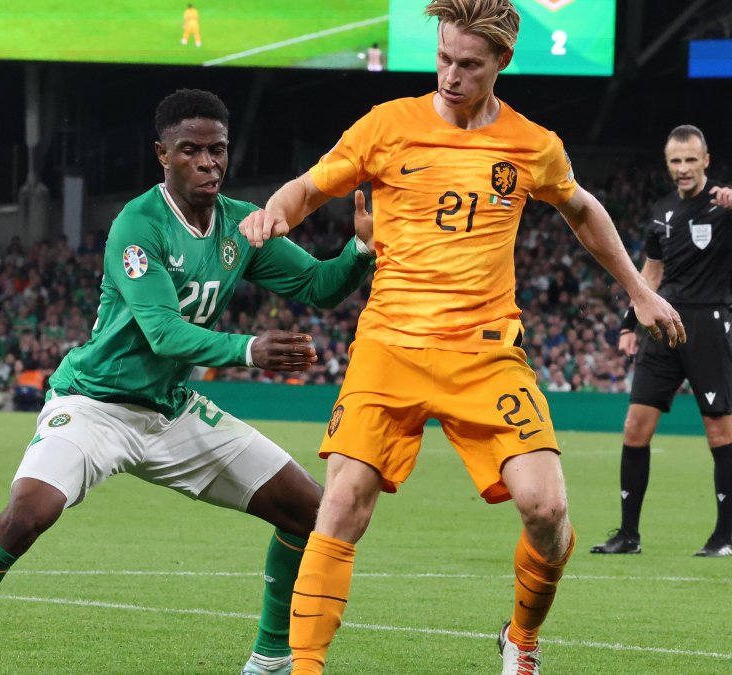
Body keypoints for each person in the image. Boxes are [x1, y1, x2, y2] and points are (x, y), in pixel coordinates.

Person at [236, 1, 685, 673]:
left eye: (468, 64)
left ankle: (522, 641)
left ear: (501, 63)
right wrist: (276, 210)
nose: (450, 75)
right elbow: (310, 187)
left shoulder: (532, 144)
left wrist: (639, 289)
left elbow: (583, 209)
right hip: (389, 345)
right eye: (443, 58)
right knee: (343, 501)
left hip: (486, 353)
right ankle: (304, 668)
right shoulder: (388, 124)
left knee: (548, 509)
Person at [0, 89, 376, 675]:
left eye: (217, 150)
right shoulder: (138, 224)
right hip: (95, 405)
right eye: (190, 150)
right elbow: (163, 333)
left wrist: (360, 247)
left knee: (307, 510)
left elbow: (319, 287)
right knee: (26, 515)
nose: (208, 162)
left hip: (170, 411)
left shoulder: (237, 225)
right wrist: (248, 348)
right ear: (162, 155)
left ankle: (271, 658)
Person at [591, 125, 732, 558]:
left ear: (706, 160)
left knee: (718, 429)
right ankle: (628, 536)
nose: (684, 168)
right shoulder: (662, 212)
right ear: (668, 164)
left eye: (691, 160)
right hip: (664, 324)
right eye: (676, 161)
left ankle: (725, 536)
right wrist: (629, 324)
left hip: (709, 321)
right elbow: (649, 277)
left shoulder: (724, 206)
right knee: (635, 427)